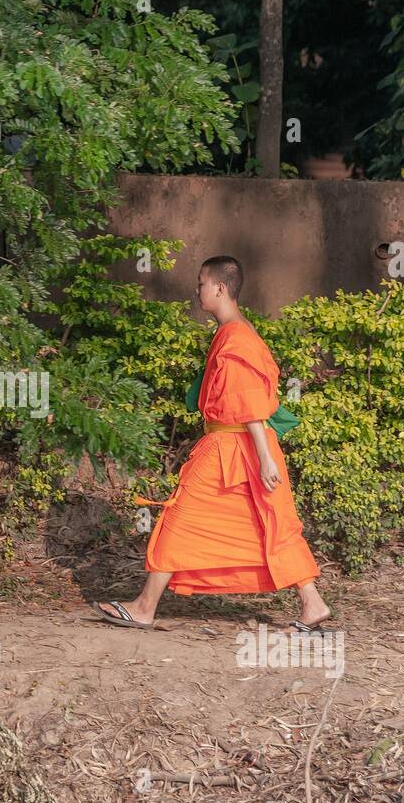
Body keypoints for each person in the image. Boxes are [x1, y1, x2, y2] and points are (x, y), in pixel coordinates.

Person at [92, 256, 330, 631]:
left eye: (201, 282)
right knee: (269, 522)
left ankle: (144, 606)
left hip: (235, 448)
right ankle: (312, 603)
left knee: (179, 518)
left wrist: (265, 459)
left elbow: (249, 400)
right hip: (239, 446)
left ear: (219, 288)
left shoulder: (236, 336)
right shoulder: (234, 332)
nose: (196, 289)